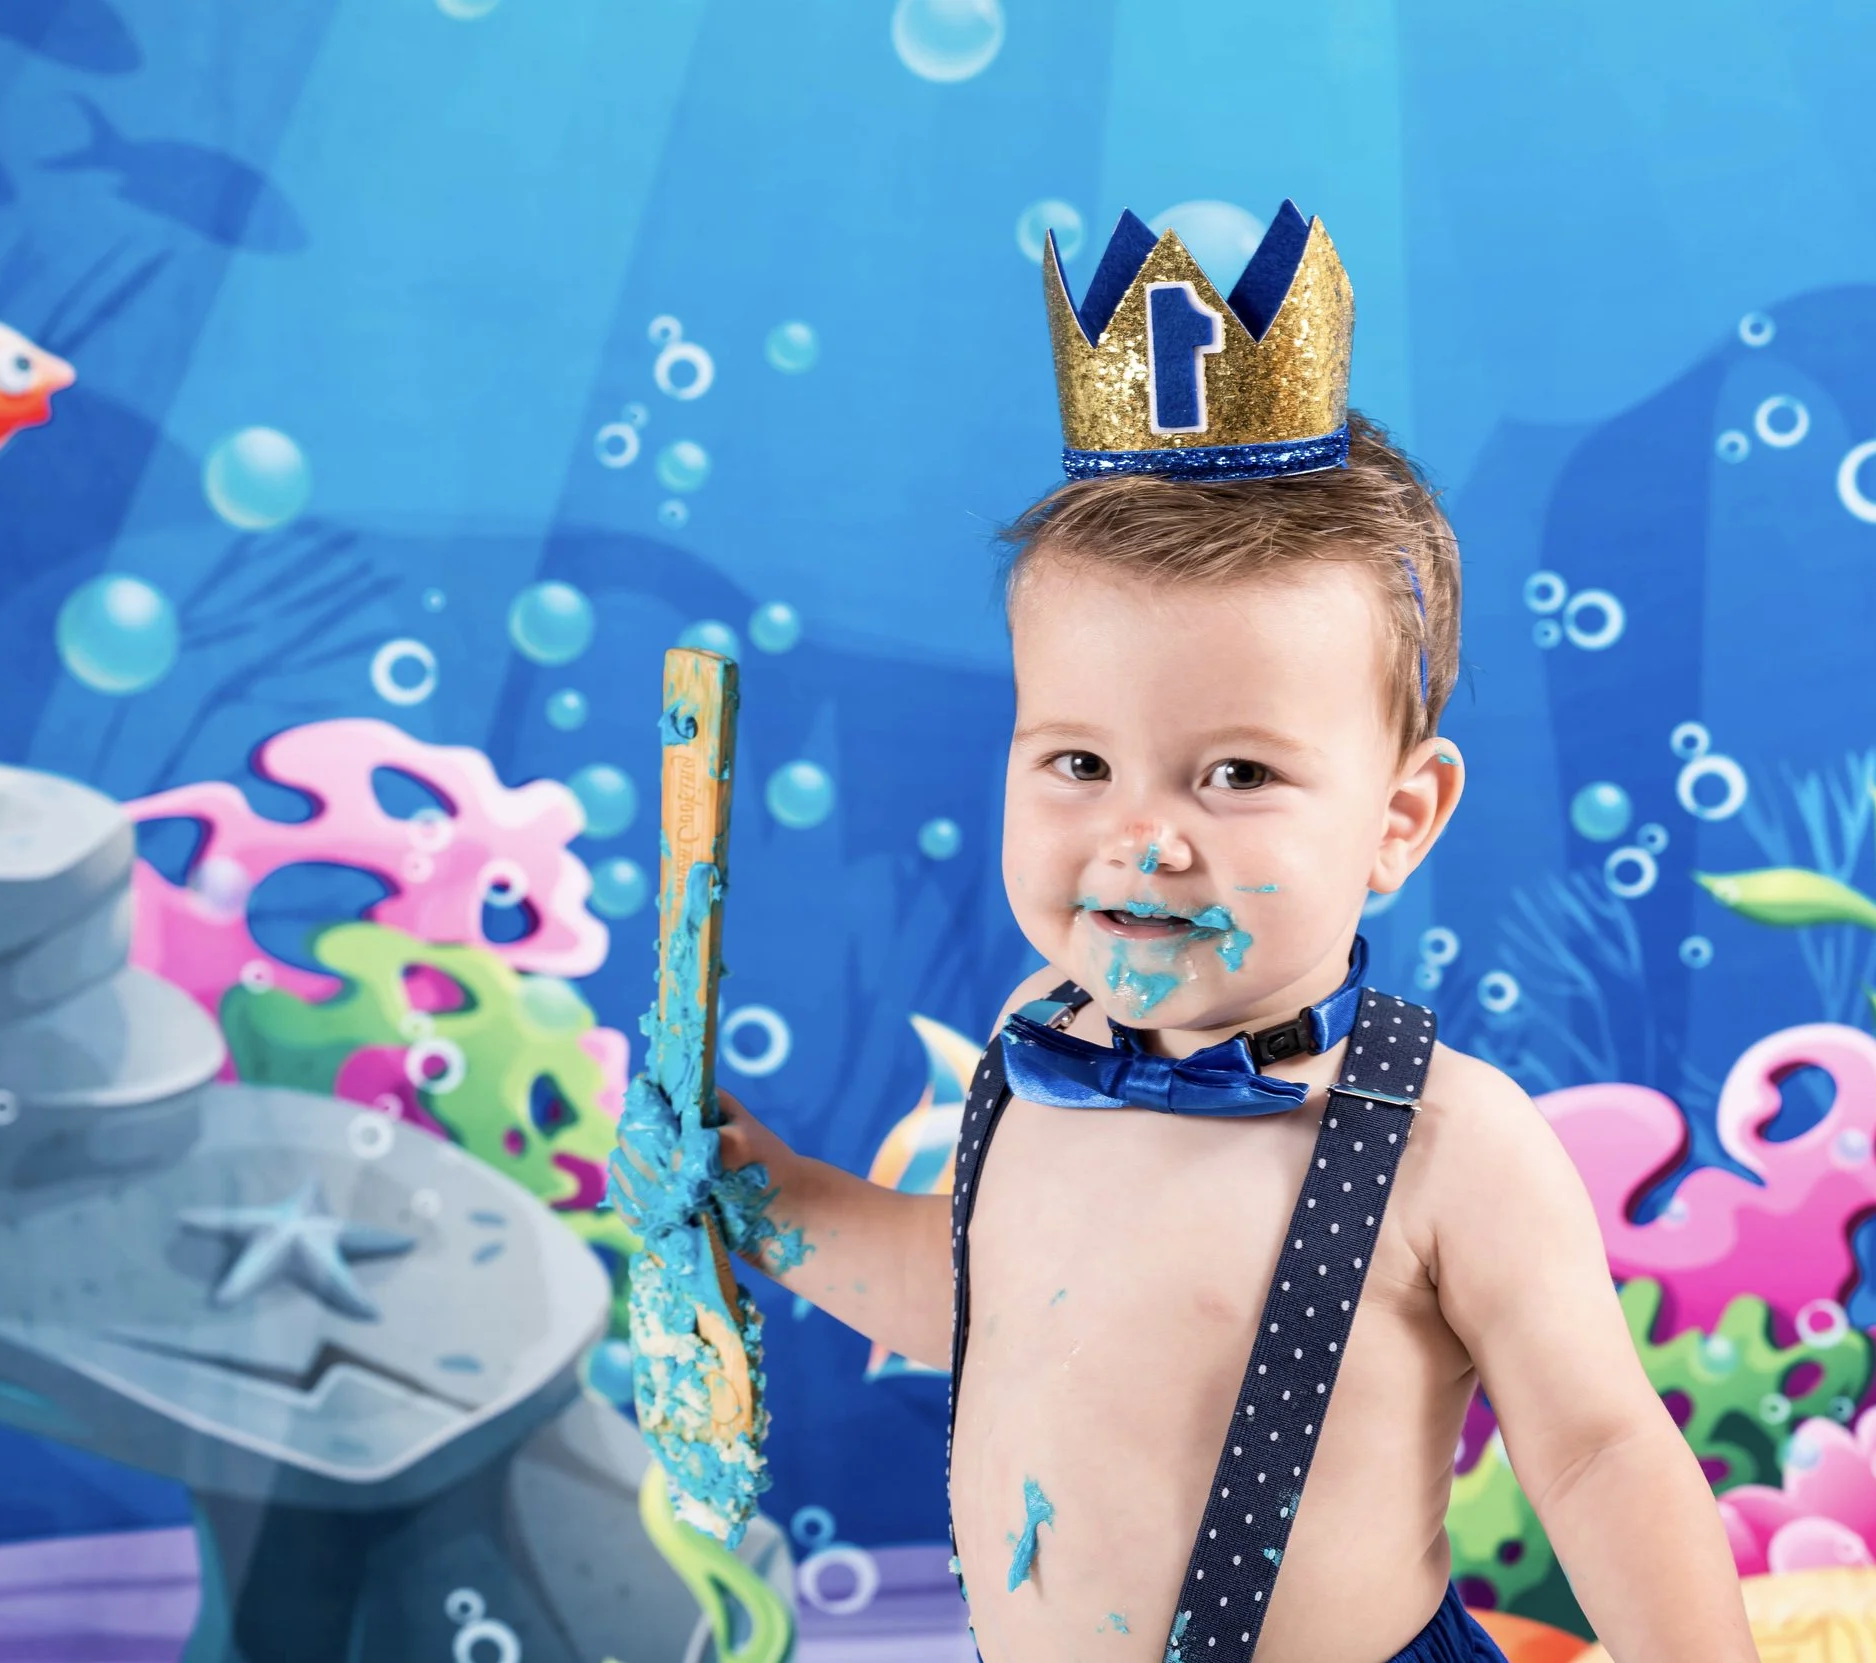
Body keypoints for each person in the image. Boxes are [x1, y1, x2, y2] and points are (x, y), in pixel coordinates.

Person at [628, 204, 1757, 1663]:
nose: (1141, 836)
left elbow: (1601, 1450)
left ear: (1400, 821)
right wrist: (760, 1190)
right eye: (1079, 763)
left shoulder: (1444, 1143)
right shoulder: (1030, 1056)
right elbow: (978, 1299)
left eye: (1236, 774)